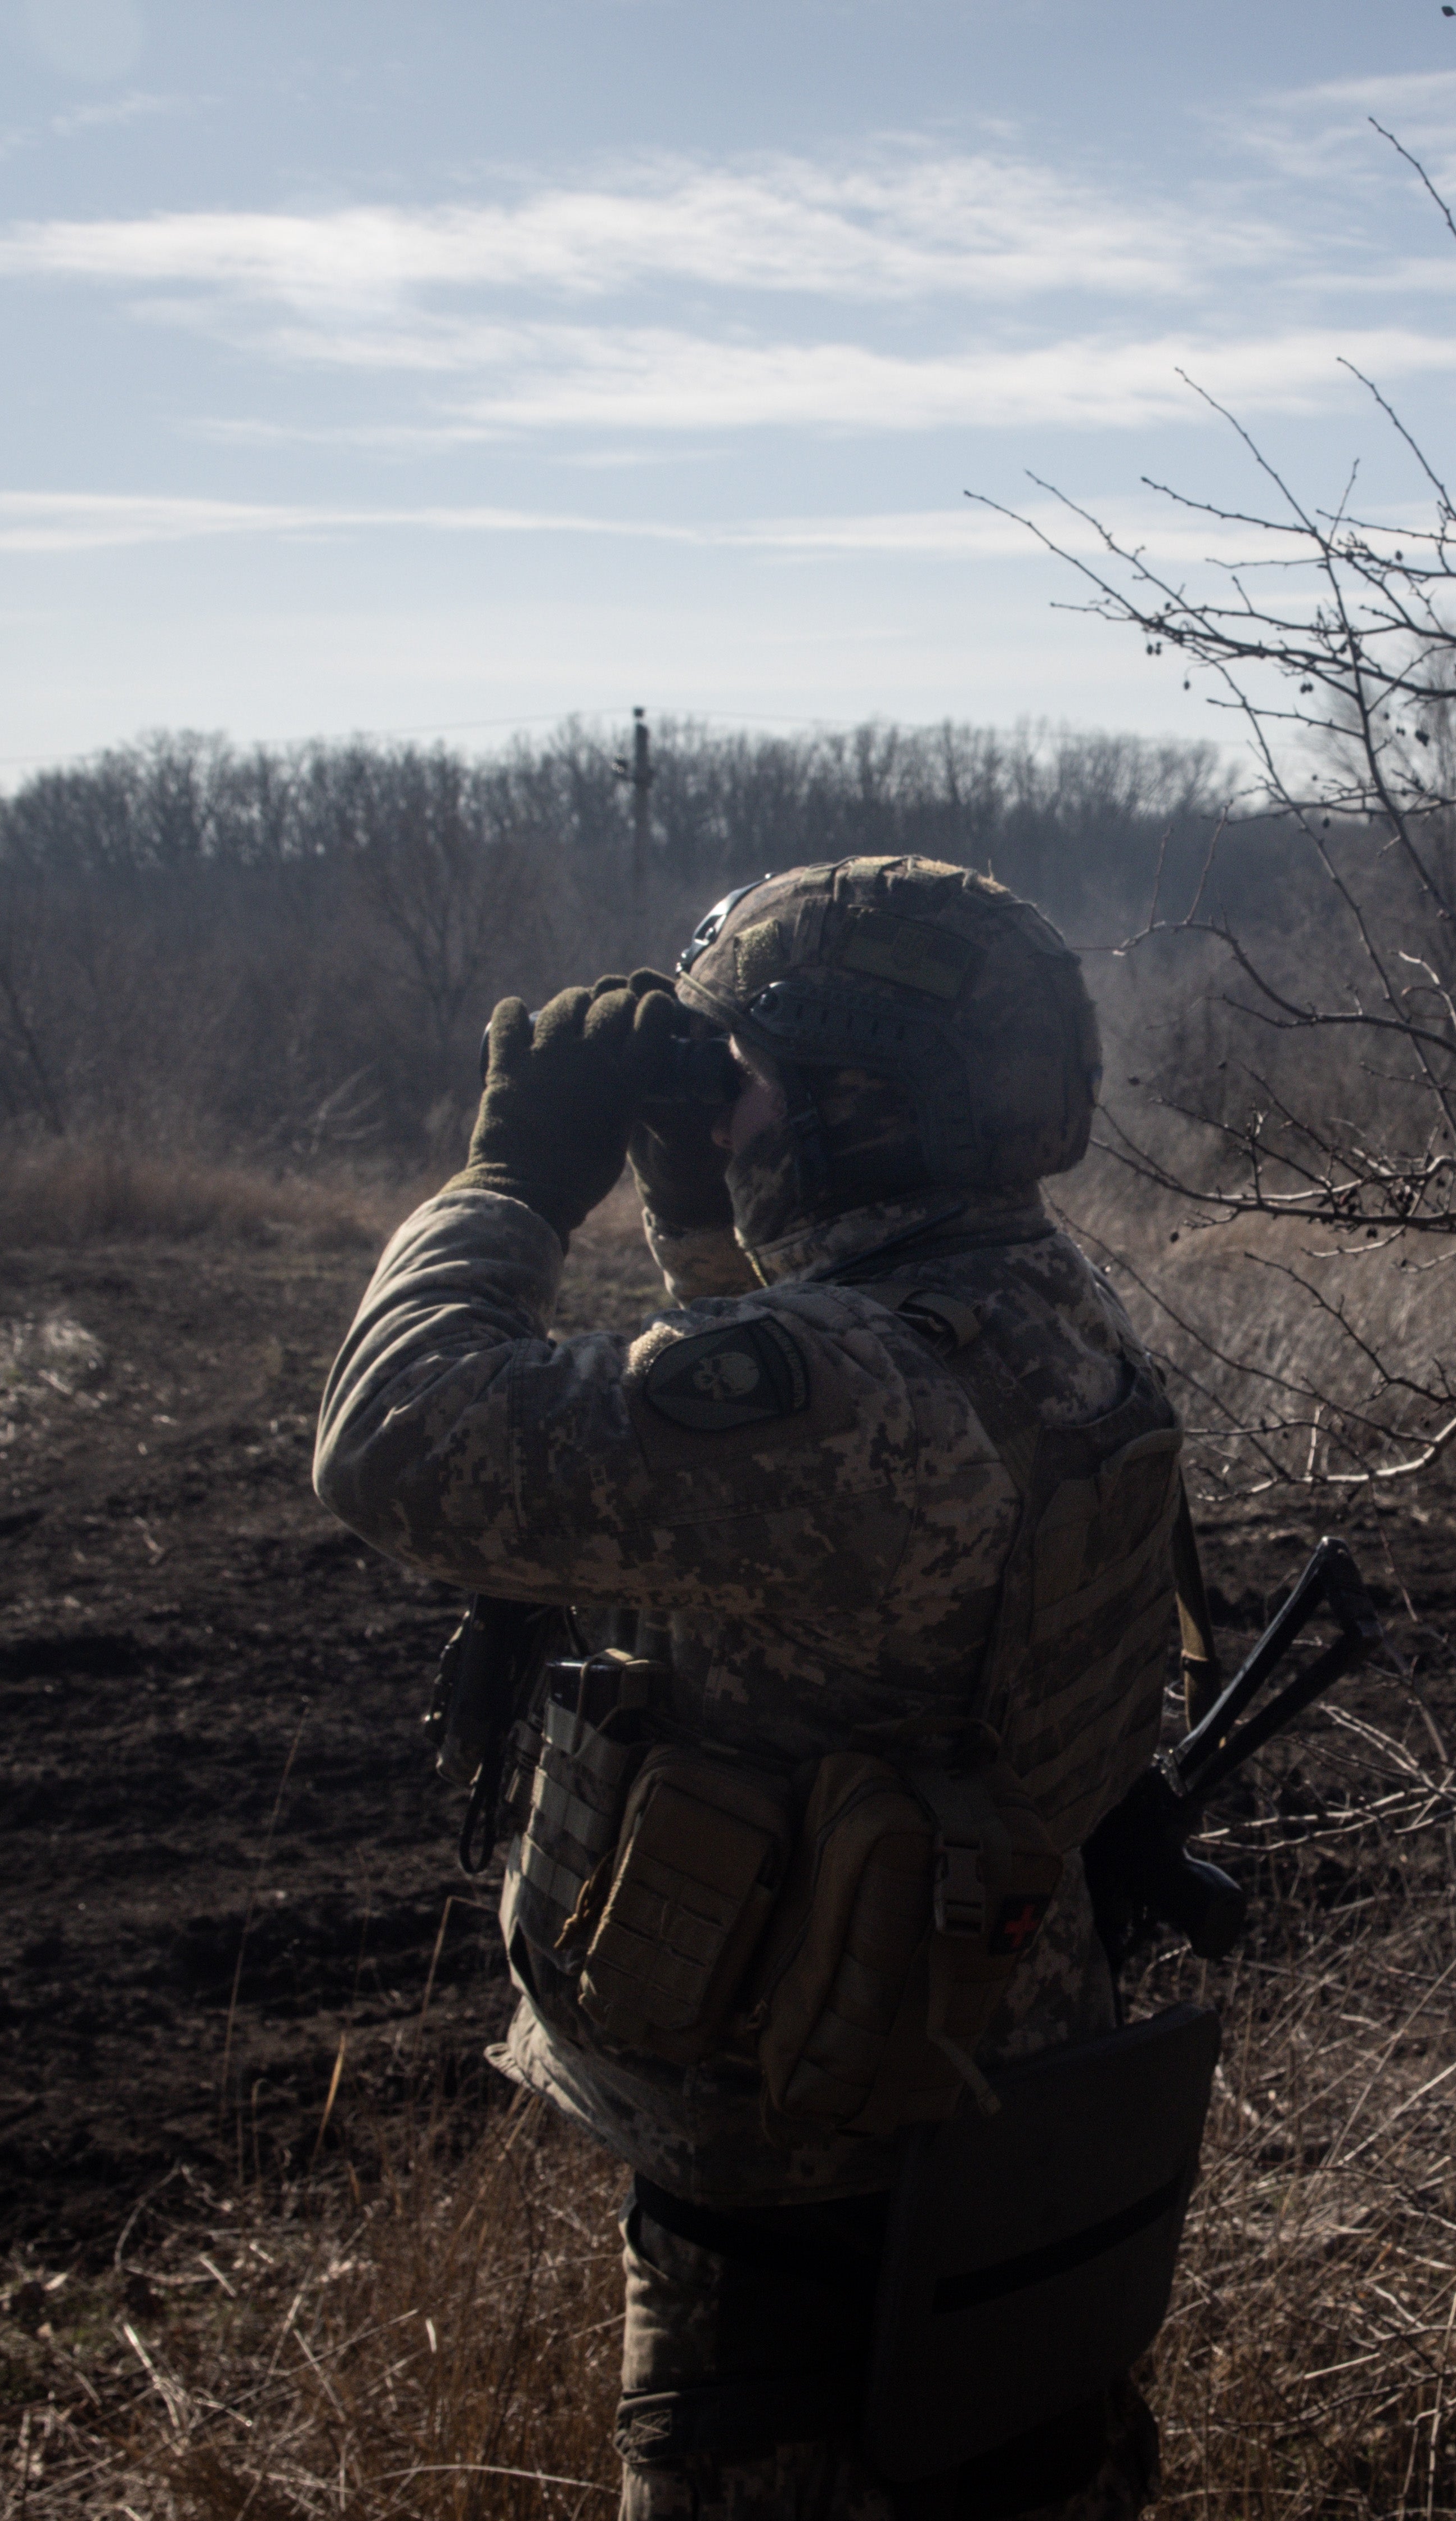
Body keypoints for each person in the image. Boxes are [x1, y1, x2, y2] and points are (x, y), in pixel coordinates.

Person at [314, 856, 1201, 2521]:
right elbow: (777, 1448)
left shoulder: (855, 1388)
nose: (730, 1108)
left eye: (749, 1081)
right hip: (1000, 2129)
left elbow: (397, 1447)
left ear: (852, 1105)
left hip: (803, 2232)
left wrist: (514, 1177)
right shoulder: (1029, 1313)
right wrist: (692, 1193)